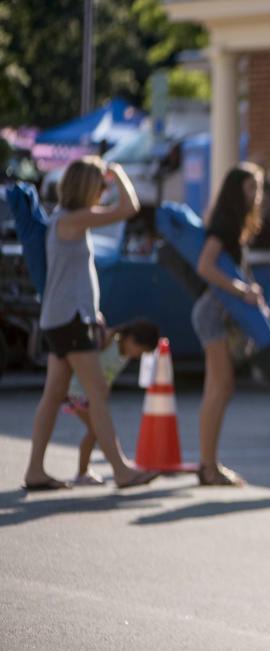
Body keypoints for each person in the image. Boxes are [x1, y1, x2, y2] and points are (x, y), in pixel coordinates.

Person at [22, 158, 158, 490]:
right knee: (97, 392)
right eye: (100, 186)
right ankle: (121, 470)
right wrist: (120, 173)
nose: (103, 192)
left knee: (54, 395)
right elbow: (130, 207)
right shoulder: (74, 218)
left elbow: (73, 275)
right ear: (88, 187)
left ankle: (35, 470)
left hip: (64, 317)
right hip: (69, 320)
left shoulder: (65, 221)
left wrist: (91, 310)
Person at [193, 163, 267, 486]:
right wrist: (241, 291)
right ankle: (209, 467)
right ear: (236, 191)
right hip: (213, 313)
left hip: (216, 312)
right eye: (252, 188)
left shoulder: (232, 224)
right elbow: (205, 266)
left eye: (259, 188)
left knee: (219, 389)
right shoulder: (224, 225)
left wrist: (247, 289)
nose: (257, 195)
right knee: (220, 388)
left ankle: (209, 463)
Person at [62, 320, 161, 485]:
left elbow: (107, 373)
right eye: (140, 349)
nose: (138, 355)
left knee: (94, 432)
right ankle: (101, 470)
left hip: (92, 395)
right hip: (78, 392)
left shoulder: (125, 354)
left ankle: (85, 471)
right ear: (130, 339)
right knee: (97, 430)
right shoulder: (110, 341)